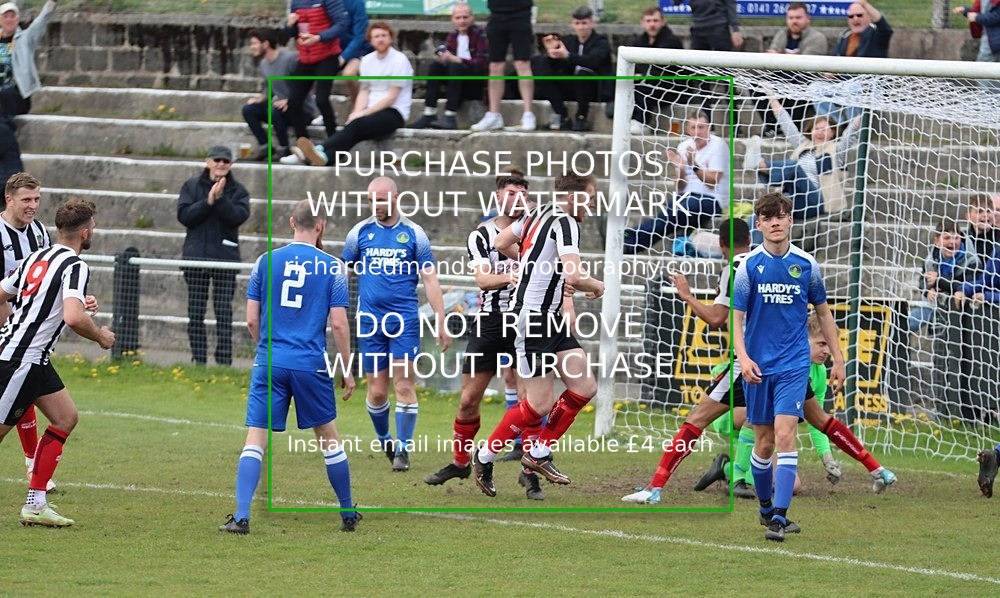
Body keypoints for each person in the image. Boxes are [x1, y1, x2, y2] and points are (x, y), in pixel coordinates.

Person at [218, 200, 359, 535]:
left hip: (270, 360)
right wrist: (347, 369)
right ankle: (348, 512)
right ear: (321, 225)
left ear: (292, 221)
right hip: (310, 363)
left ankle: (241, 517)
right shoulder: (333, 267)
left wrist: (266, 348)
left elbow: (251, 319)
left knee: (255, 439)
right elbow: (339, 325)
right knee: (328, 438)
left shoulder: (265, 261)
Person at [472, 172, 605, 496]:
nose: (591, 205)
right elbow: (574, 273)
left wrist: (531, 263)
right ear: (574, 197)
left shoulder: (536, 213)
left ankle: (539, 451)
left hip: (551, 319)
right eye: (589, 197)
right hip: (530, 320)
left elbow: (501, 242)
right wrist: (596, 285)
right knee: (540, 403)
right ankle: (484, 455)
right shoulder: (566, 221)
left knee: (585, 386)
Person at [424, 172, 544, 499]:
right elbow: (482, 280)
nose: (517, 197)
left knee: (529, 401)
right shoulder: (481, 235)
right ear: (498, 198)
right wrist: (513, 276)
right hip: (490, 321)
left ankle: (530, 473)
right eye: (510, 192)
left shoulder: (540, 232)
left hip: (527, 321)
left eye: (523, 192)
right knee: (467, 400)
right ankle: (461, 462)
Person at [732, 192, 845, 542]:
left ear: (790, 220)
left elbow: (823, 313)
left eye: (781, 216)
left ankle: (779, 517)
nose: (776, 222)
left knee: (785, 435)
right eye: (768, 218)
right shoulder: (748, 266)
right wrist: (744, 358)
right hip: (758, 366)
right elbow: (736, 320)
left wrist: (839, 358)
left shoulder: (807, 265)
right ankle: (766, 507)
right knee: (763, 444)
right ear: (760, 224)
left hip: (794, 364)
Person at [622, 218, 755, 504]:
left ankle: (655, 488)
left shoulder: (734, 268)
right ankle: (876, 469)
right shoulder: (770, 265)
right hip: (782, 363)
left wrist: (687, 296)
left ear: (721, 246)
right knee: (806, 423)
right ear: (751, 239)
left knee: (695, 421)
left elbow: (717, 319)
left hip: (746, 364)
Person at [0, 198, 115, 527]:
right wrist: (101, 337)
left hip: (32, 358)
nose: (94, 230)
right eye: (93, 226)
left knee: (65, 418)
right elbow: (74, 317)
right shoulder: (76, 266)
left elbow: (3, 293)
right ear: (84, 232)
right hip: (20, 360)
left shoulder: (37, 256)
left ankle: (35, 505)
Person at [342, 176, 450, 472]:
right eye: (370, 200)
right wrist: (329, 307)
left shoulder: (414, 233)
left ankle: (403, 450)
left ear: (394, 198)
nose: (374, 205)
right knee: (377, 392)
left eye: (379, 199)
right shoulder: (359, 233)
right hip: (370, 321)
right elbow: (344, 273)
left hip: (404, 320)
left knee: (403, 385)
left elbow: (430, 278)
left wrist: (441, 319)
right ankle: (386, 440)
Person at [1, 172, 63, 493]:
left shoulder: (39, 232)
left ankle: (31, 462)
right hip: (8, 328)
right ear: (8, 199)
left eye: (37, 199)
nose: (33, 206)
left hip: (22, 330)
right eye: (26, 200)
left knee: (23, 391)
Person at [292, 22, 413, 167]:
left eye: (384, 36)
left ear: (391, 38)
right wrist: (356, 112)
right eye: (376, 36)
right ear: (370, 40)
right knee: (354, 128)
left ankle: (319, 148)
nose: (380, 39)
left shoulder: (399, 60)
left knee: (357, 126)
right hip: (371, 112)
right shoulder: (368, 60)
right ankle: (326, 158)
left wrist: (363, 113)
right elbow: (364, 91)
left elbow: (392, 97)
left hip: (394, 113)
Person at [176, 145, 251, 366]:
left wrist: (220, 199)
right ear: (207, 161)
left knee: (223, 312)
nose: (221, 164)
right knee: (196, 312)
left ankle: (224, 360)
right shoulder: (191, 186)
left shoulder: (239, 191)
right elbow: (185, 216)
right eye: (216, 160)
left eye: (225, 161)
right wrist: (207, 201)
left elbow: (238, 216)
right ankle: (199, 359)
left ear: (231, 165)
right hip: (196, 257)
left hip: (225, 259)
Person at [623, 109, 730, 255]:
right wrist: (680, 170)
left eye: (701, 127)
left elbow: (712, 182)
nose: (698, 132)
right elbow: (680, 187)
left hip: (712, 200)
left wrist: (693, 164)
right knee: (669, 209)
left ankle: (630, 239)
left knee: (672, 212)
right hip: (686, 198)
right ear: (687, 129)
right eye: (693, 127)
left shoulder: (719, 146)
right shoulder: (684, 146)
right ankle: (630, 243)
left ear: (709, 127)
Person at [744, 102, 861, 220]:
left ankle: (760, 164)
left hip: (819, 202)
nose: (820, 132)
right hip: (793, 199)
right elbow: (785, 122)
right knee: (762, 212)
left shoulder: (837, 149)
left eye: (824, 129)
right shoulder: (801, 145)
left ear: (832, 132)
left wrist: (864, 111)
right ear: (811, 131)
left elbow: (852, 132)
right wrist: (770, 95)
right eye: (817, 129)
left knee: (795, 167)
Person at [0, 1, 57, 183]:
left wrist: (52, 4)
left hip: (16, 97)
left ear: (17, 19)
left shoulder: (25, 39)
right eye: (5, 16)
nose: (9, 19)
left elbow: (41, 22)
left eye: (13, 16)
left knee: (6, 94)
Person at [407, 2, 488, 130]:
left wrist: (457, 59)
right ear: (453, 19)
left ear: (472, 17)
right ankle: (429, 113)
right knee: (435, 66)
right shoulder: (453, 36)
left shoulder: (481, 33)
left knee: (456, 66)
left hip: (474, 84)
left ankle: (450, 116)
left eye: (465, 17)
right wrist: (444, 58)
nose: (462, 21)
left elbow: (481, 64)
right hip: (455, 83)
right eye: (458, 18)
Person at [530, 6, 611, 132]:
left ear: (592, 23)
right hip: (574, 86)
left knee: (583, 74)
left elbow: (593, 62)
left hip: (594, 88)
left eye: (584, 23)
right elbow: (560, 68)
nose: (581, 27)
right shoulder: (569, 41)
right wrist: (553, 55)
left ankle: (581, 118)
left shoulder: (601, 42)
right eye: (577, 23)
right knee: (543, 72)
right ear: (572, 24)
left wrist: (568, 55)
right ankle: (562, 116)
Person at [241, 28, 316, 161]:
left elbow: (304, 84)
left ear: (265, 44)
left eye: (254, 43)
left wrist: (289, 100)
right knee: (249, 110)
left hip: (301, 110)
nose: (251, 47)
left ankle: (284, 149)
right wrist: (260, 99)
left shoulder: (290, 59)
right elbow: (269, 88)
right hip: (280, 109)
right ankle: (266, 147)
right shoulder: (264, 64)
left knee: (274, 111)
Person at [758, 2, 827, 137]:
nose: (794, 21)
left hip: (805, 78)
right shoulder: (781, 34)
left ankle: (793, 127)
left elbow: (806, 64)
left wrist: (780, 55)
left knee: (796, 83)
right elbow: (771, 59)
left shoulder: (818, 38)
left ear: (807, 18)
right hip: (781, 75)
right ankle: (773, 127)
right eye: (791, 18)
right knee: (757, 84)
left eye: (798, 17)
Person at [285, 0, 348, 141]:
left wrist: (319, 38)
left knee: (321, 100)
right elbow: (291, 33)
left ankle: (334, 142)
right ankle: (304, 143)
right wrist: (289, 24)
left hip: (327, 57)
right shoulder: (296, 2)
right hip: (305, 58)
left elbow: (341, 24)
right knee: (293, 103)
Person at [470, 0, 535, 131]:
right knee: (495, 66)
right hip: (496, 16)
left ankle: (528, 114)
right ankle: (494, 115)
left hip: (520, 15)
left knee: (522, 64)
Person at [626, 7, 684, 137]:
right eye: (648, 20)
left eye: (655, 20)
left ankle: (642, 122)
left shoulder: (671, 41)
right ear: (642, 23)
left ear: (663, 22)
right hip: (650, 87)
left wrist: (641, 75)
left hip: (671, 89)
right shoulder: (639, 41)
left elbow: (661, 69)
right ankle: (628, 118)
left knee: (643, 82)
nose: (652, 24)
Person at [674, 0, 742, 52]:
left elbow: (731, 4)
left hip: (719, 28)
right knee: (698, 66)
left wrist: (735, 30)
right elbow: (676, 2)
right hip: (697, 28)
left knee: (724, 64)